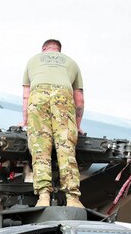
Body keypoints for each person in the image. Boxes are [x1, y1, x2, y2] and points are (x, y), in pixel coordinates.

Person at [21, 38, 84, 208]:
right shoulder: (72, 63)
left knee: (40, 147)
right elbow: (79, 99)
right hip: (63, 96)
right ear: (59, 50)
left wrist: (25, 121)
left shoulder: (33, 60)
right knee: (65, 147)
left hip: (38, 95)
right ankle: (72, 198)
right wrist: (77, 126)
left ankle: (43, 197)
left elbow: (26, 96)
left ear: (44, 49)